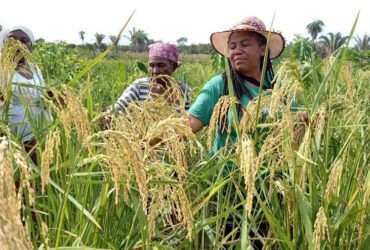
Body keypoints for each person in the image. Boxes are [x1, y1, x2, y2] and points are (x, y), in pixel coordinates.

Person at [188, 16, 285, 153]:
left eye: (245, 44)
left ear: (263, 49)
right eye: (232, 47)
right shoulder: (220, 85)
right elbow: (190, 124)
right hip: (227, 172)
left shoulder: (278, 87)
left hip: (272, 171)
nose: (237, 51)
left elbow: (294, 124)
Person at [0, 26, 51, 162]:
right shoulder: (2, 69)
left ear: (30, 46)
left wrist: (50, 97)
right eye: (13, 40)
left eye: (23, 40)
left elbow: (40, 95)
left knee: (37, 175)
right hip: (12, 136)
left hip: (38, 131)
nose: (18, 44)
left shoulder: (35, 69)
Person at [112, 42, 191, 113]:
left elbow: (188, 121)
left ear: (173, 67)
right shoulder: (140, 86)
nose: (155, 71)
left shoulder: (183, 90)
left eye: (161, 65)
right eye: (152, 65)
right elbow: (117, 109)